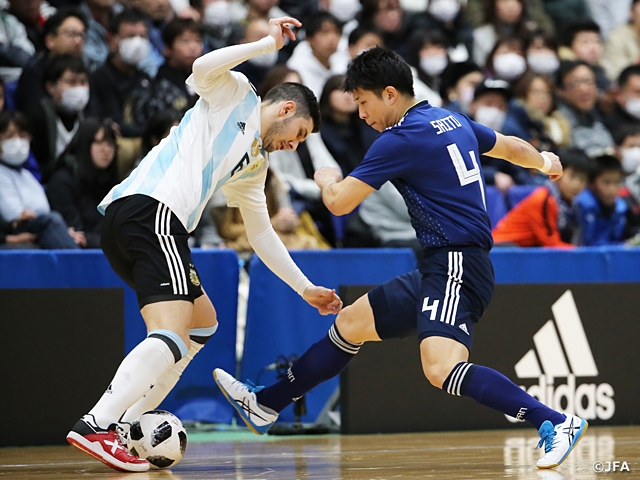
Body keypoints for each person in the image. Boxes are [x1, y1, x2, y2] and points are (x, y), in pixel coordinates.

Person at [214, 47, 588, 471]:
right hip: (442, 265)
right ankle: (267, 404)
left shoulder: (400, 138)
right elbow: (510, 149)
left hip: (456, 265)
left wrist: (326, 178)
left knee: (441, 368)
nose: (360, 113)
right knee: (350, 323)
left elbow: (338, 204)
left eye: (362, 101)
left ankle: (553, 421)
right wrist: (544, 161)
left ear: (389, 94)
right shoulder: (451, 119)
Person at [65, 16, 342, 472]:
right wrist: (264, 43)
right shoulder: (236, 93)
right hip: (151, 210)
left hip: (146, 222)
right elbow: (201, 65)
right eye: (301, 136)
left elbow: (262, 234)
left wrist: (305, 288)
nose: (297, 146)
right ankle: (99, 423)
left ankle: (128, 425)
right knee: (171, 335)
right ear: (288, 111)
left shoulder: (255, 164)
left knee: (202, 323)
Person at [0, 110, 81, 249]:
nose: (18, 142)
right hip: (17, 228)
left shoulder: (27, 175)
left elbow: (43, 210)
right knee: (52, 220)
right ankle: (78, 267)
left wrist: (64, 232)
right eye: (10, 136)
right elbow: (15, 215)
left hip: (40, 225)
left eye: (23, 136)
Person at [492, 147, 592, 247]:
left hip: (525, 251)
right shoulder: (544, 199)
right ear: (558, 173)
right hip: (501, 249)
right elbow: (550, 244)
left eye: (582, 180)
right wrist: (583, 254)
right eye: (572, 176)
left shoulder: (572, 205)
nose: (576, 184)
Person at [46, 118, 119, 248]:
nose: (106, 150)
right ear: (85, 143)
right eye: (100, 142)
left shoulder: (110, 183)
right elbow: (77, 234)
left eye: (111, 144)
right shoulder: (62, 182)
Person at [576, 154, 628, 245]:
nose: (612, 189)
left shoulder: (620, 208)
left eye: (617, 182)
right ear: (591, 184)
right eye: (606, 182)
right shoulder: (581, 205)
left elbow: (615, 240)